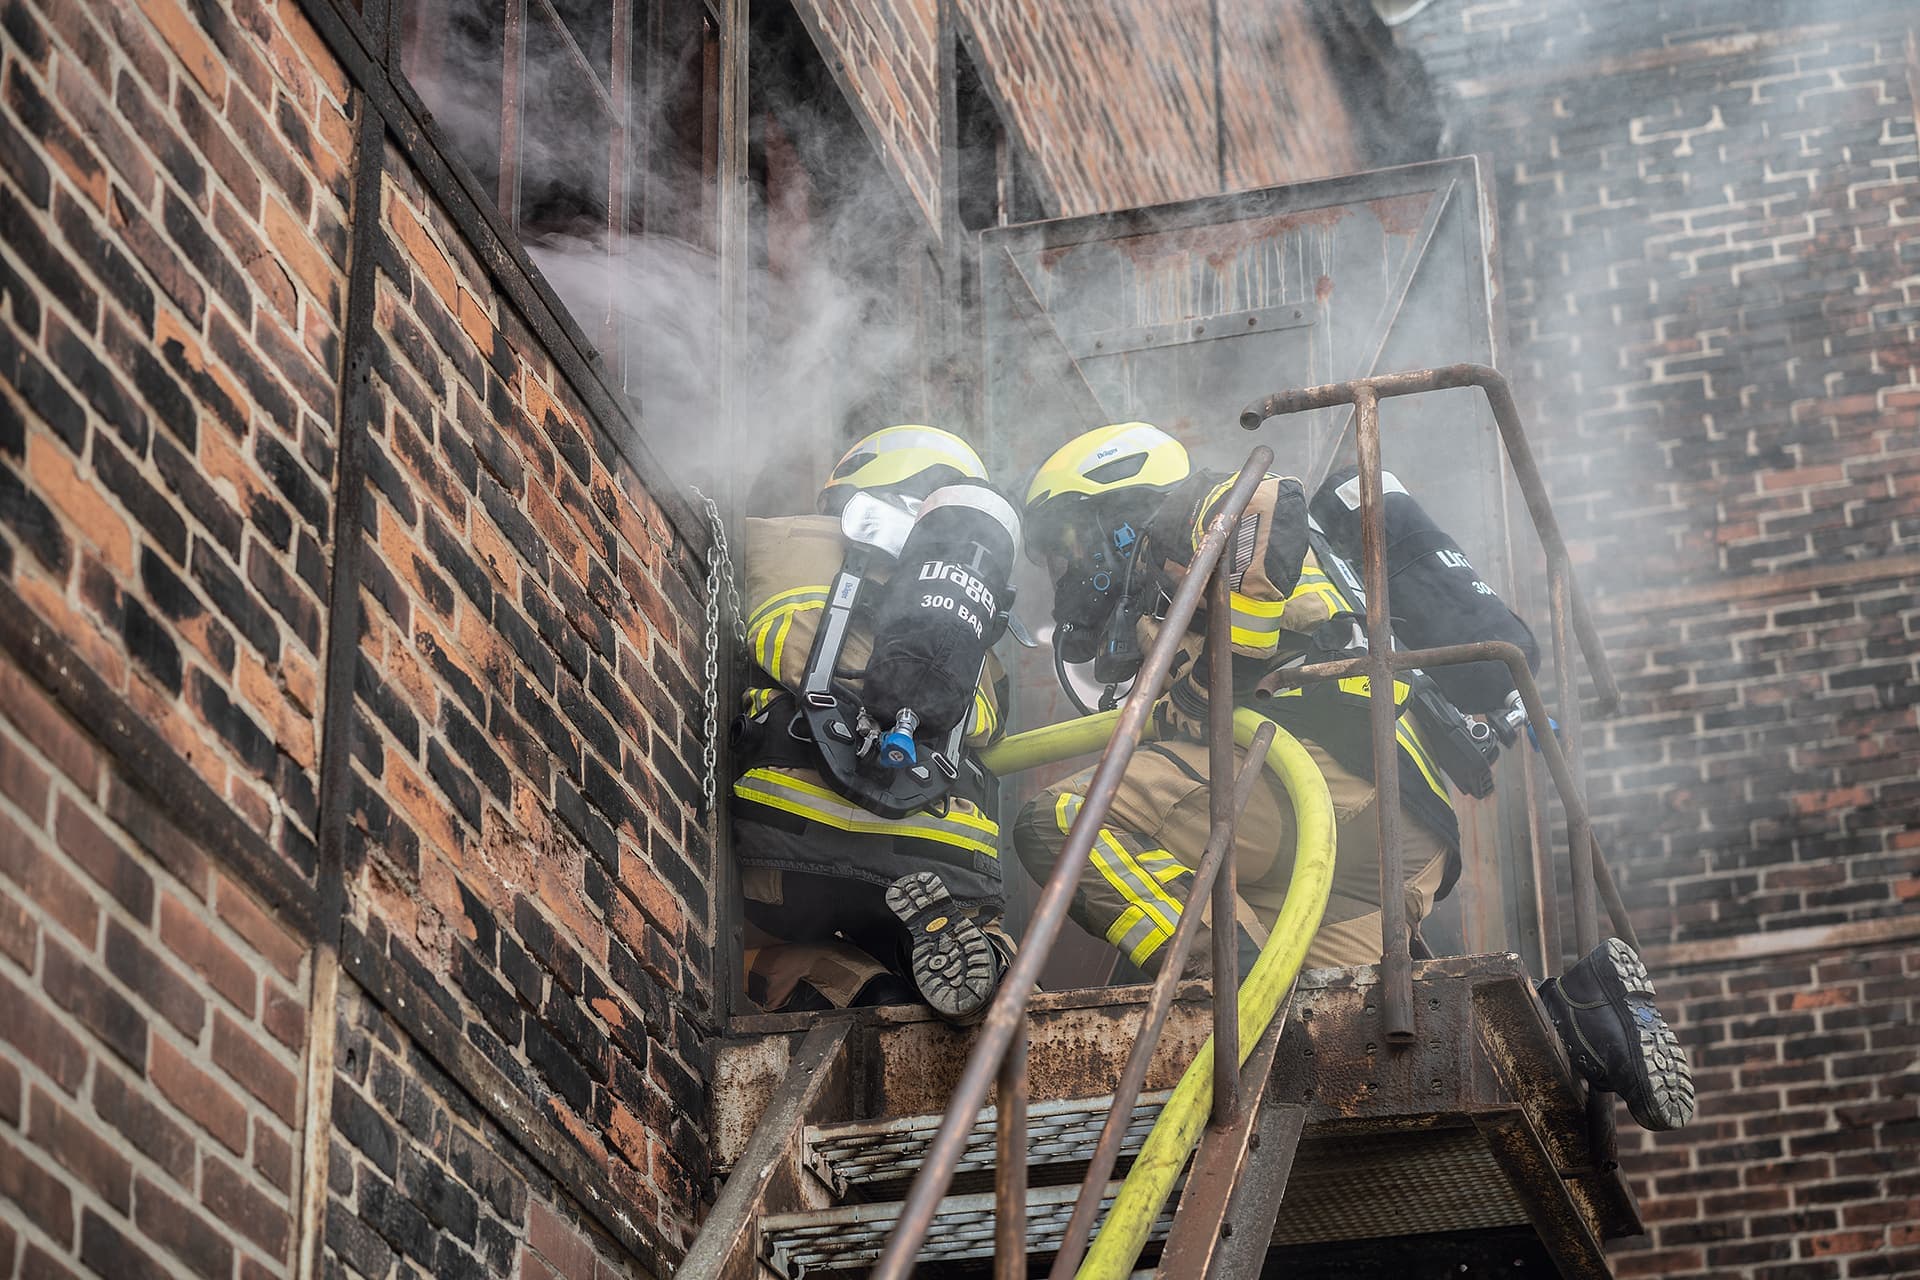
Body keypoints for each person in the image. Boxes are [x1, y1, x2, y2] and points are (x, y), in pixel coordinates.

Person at [1010, 421, 1694, 1131]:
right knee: (1347, 1034)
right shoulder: (1187, 582)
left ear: (1109, 508)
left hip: (1302, 781)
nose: (1068, 573)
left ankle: (1229, 981)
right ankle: (1581, 1014)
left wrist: (1224, 670)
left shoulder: (1197, 506)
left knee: (1061, 823)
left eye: (1065, 546)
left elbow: (1264, 502)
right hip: (1400, 838)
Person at [730, 425, 1017, 1023]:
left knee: (754, 938)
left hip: (789, 835)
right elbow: (986, 728)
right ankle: (990, 959)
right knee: (911, 938)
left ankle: (859, 989)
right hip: (935, 848)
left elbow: (774, 642)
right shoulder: (975, 626)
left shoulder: (786, 543)